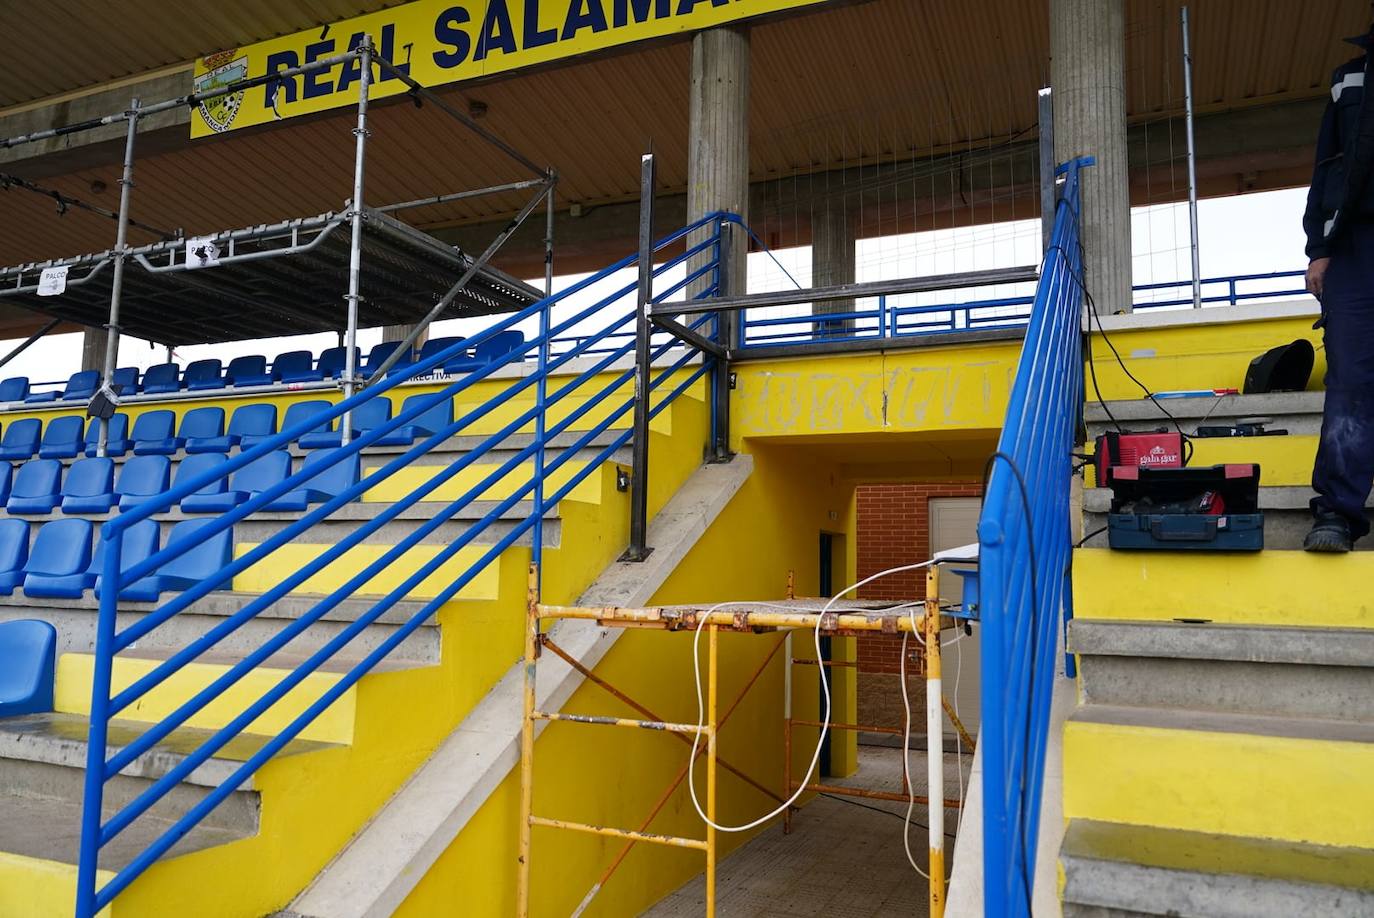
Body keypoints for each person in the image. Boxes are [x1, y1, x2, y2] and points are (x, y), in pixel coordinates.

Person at [1302, 15, 1374, 552]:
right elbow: (1326, 164)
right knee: (1349, 380)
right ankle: (1338, 513)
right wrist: (1319, 250)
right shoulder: (1349, 78)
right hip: (1353, 247)